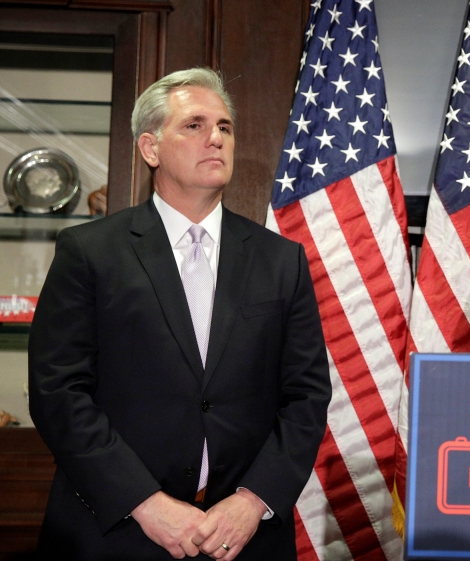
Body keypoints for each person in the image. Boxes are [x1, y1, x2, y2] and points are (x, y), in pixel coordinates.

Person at [28, 68, 331, 560]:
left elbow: (307, 394)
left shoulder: (282, 260)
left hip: (243, 538)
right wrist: (145, 504)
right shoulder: (90, 251)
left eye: (225, 127)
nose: (215, 138)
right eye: (194, 125)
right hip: (116, 534)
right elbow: (58, 392)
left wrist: (253, 502)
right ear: (150, 148)